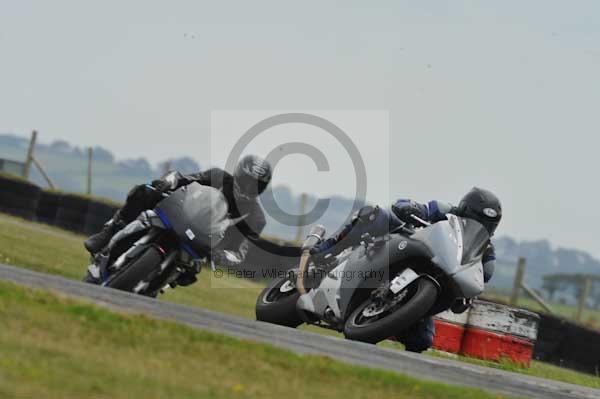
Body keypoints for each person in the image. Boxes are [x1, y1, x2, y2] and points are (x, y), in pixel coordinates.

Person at [310, 187, 502, 353]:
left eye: (488, 223)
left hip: (430, 283)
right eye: (478, 217)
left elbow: (483, 276)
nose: (482, 225)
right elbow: (407, 206)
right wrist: (411, 208)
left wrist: (467, 295)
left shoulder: (484, 252)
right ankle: (328, 247)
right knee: (374, 215)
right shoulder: (445, 211)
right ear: (465, 209)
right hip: (403, 248)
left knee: (422, 340)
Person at [84, 155, 272, 280]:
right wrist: (168, 182)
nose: (248, 188)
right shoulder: (218, 176)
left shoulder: (255, 218)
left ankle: (154, 284)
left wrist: (225, 257)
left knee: (188, 276)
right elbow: (185, 178)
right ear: (238, 174)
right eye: (246, 181)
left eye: (255, 186)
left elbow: (240, 252)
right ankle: (107, 234)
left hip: (202, 245)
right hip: (180, 214)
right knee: (143, 192)